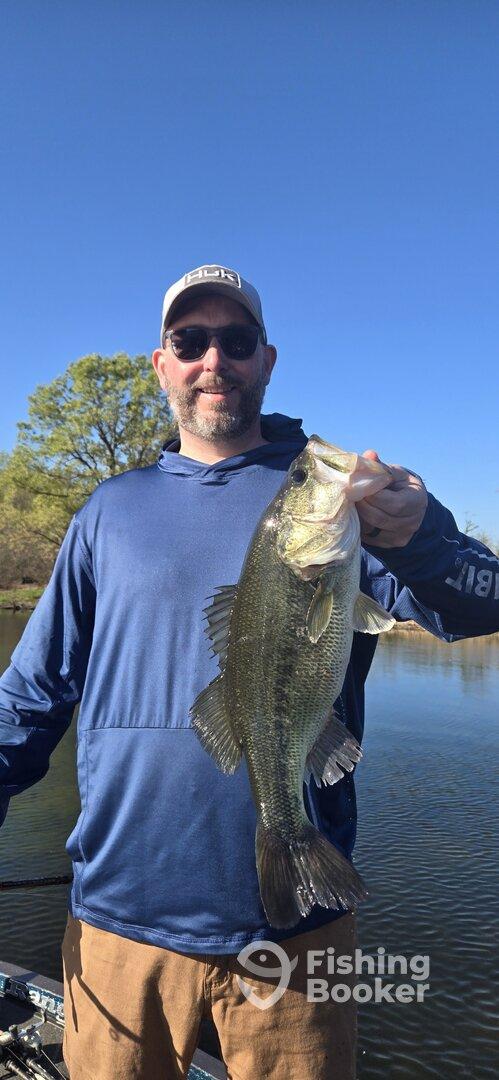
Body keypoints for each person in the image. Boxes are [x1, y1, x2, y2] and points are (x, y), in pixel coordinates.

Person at [0, 263, 497, 1080]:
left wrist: (423, 537)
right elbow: (31, 694)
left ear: (266, 360)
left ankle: (287, 840)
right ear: (161, 363)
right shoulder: (108, 511)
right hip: (118, 923)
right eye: (189, 341)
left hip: (296, 936)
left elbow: (481, 606)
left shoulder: (353, 511)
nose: (212, 360)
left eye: (235, 341)